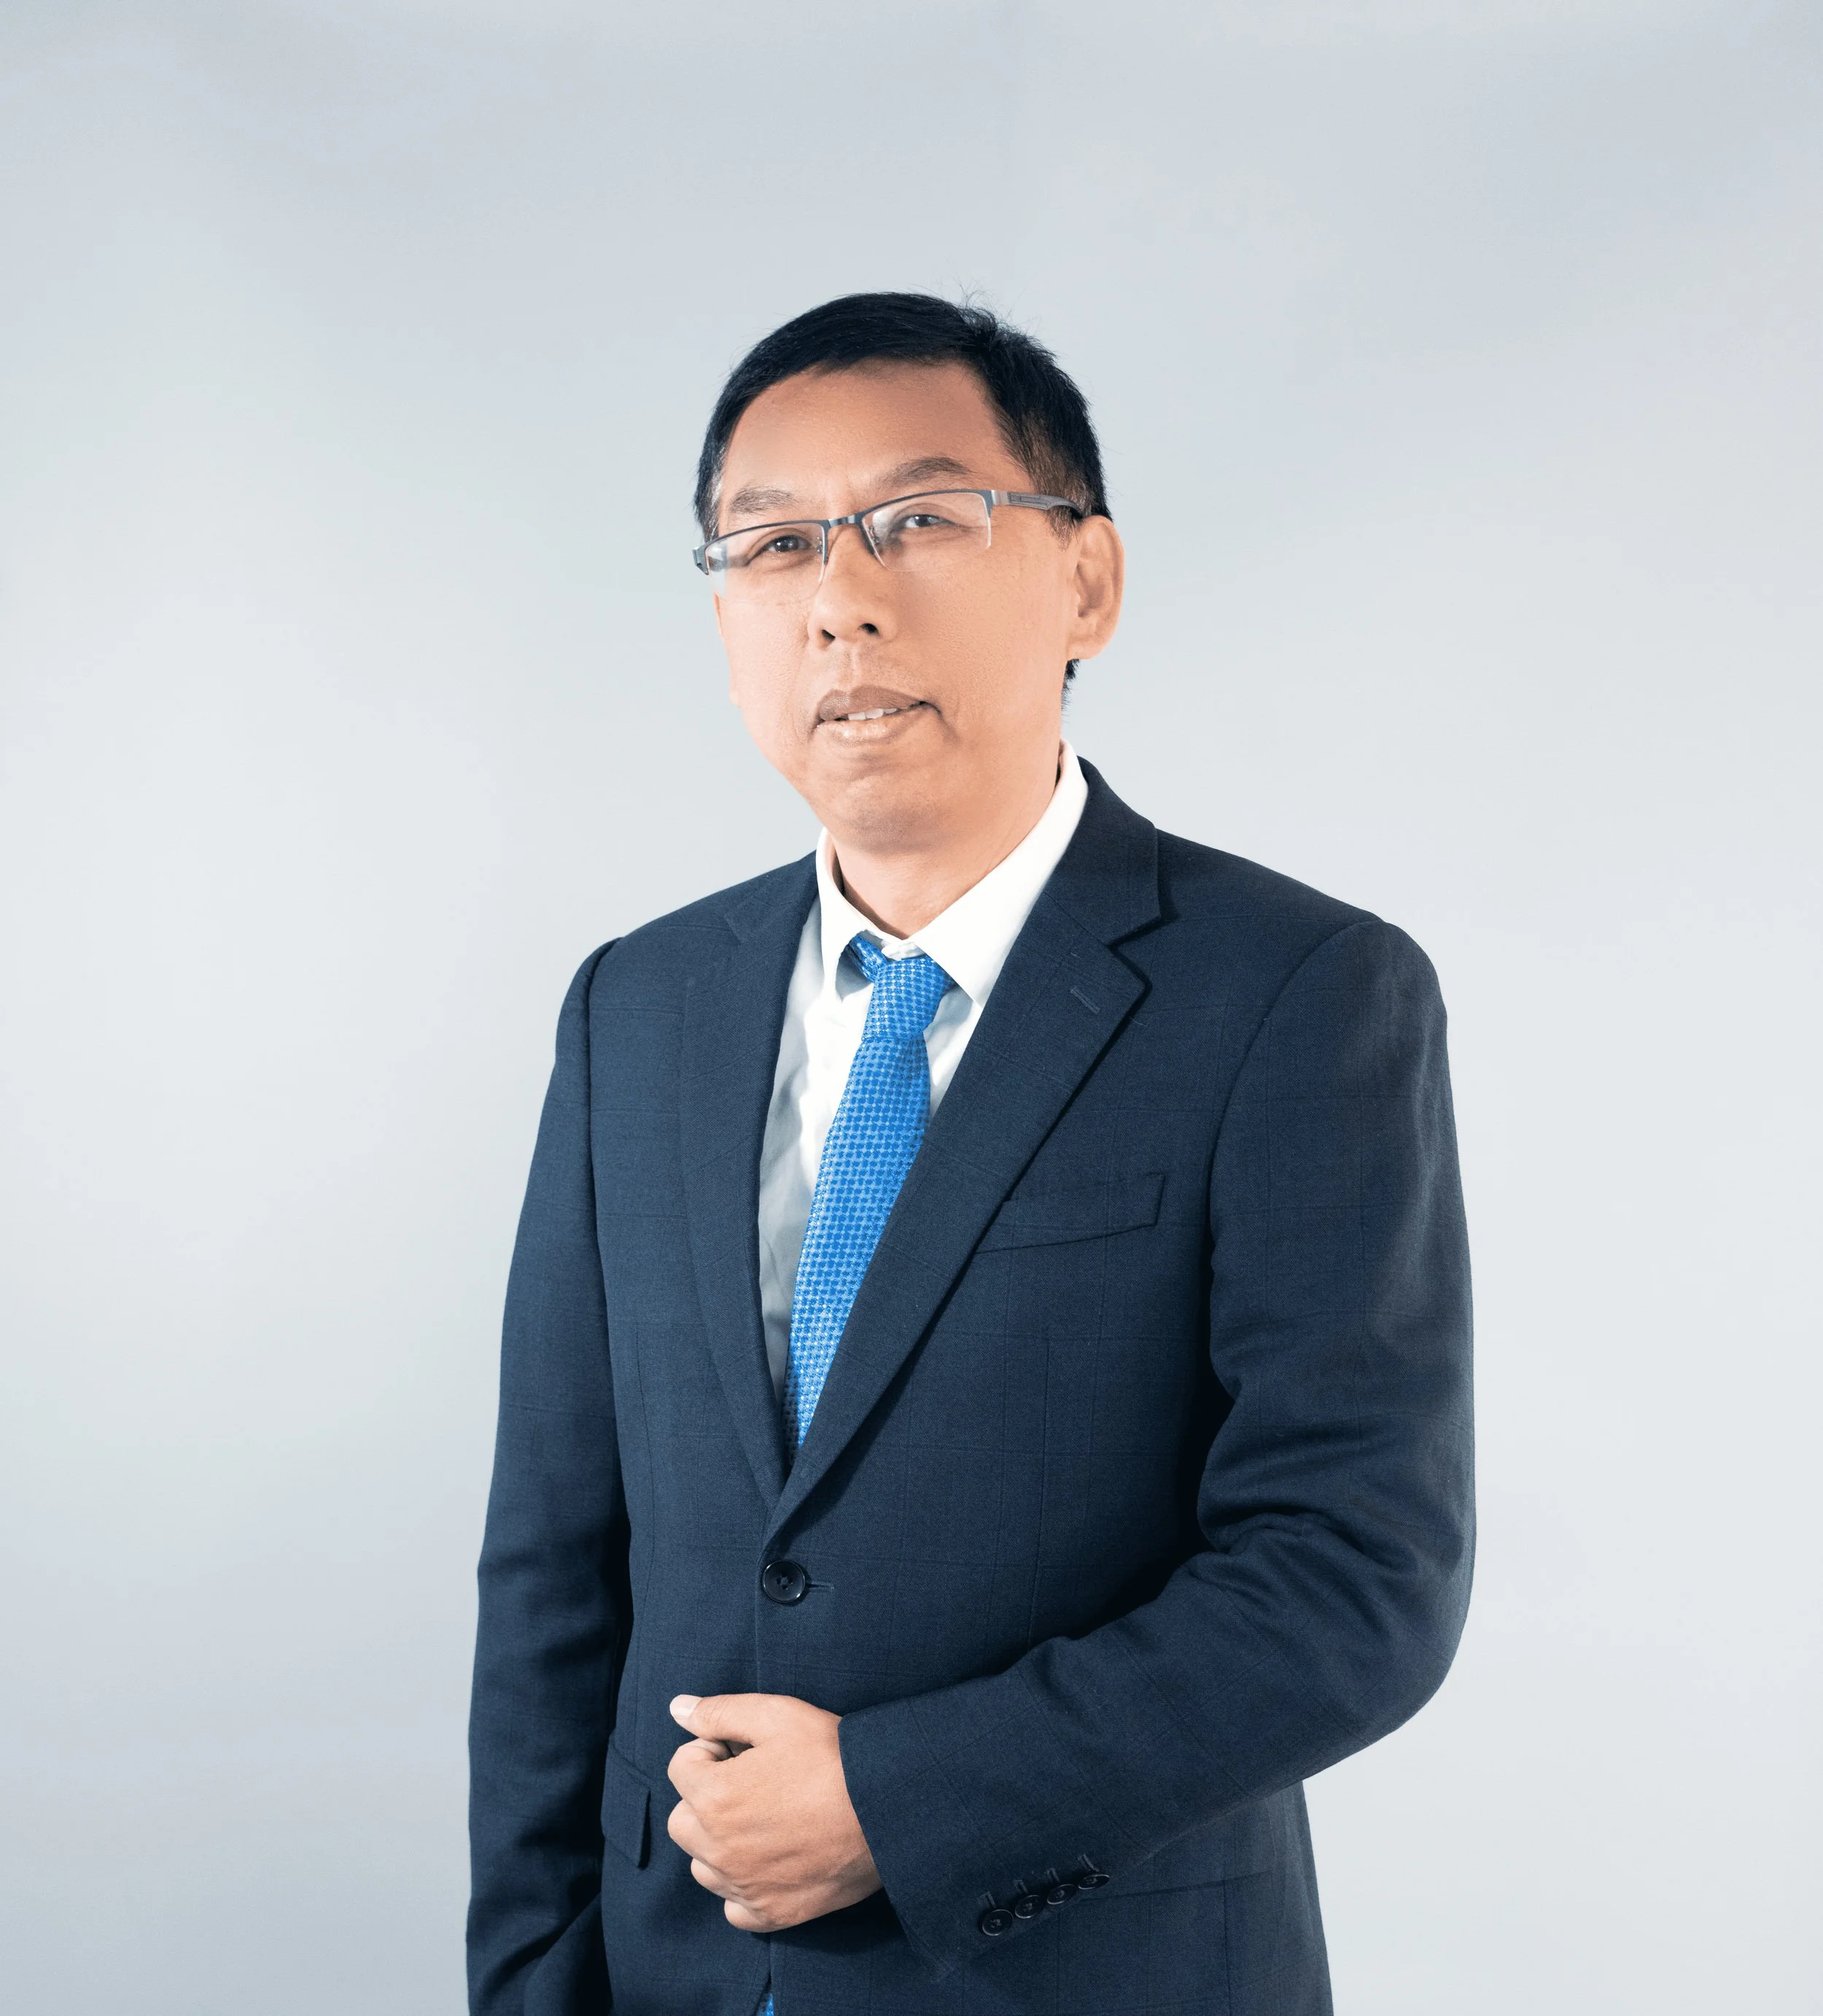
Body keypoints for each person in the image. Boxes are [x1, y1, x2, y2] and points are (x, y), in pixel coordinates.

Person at [466, 292, 1473, 2016]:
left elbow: (1349, 1577)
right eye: (771, 544)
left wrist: (891, 1799)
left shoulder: (1293, 992)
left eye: (918, 518)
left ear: (1085, 578)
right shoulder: (638, 1005)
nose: (838, 596)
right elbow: (555, 1572)